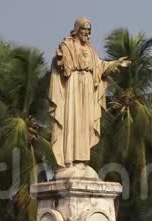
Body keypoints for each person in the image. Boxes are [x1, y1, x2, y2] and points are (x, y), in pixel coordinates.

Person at [49, 17, 130, 170]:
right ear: (77, 30)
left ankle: (82, 160)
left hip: (87, 88)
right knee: (72, 121)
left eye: (88, 31)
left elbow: (100, 66)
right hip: (73, 86)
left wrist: (116, 64)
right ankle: (68, 160)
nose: (87, 34)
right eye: (84, 30)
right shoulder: (67, 45)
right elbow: (61, 66)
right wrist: (61, 57)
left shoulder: (90, 50)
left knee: (84, 122)